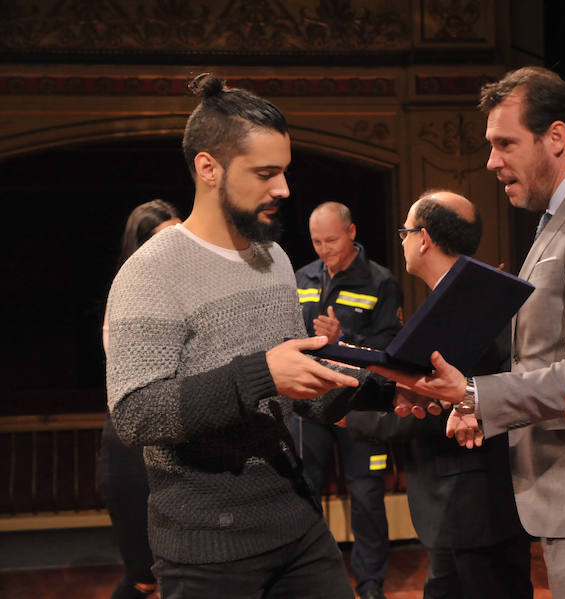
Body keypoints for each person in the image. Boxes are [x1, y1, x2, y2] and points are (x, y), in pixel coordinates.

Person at [371, 67, 565, 599]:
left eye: (504, 143)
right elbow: (539, 353)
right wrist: (477, 409)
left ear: (555, 137)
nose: (491, 162)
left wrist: (473, 393)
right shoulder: (564, 217)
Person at [105, 73, 390, 599]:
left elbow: (298, 386)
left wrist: (392, 391)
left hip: (295, 524)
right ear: (208, 168)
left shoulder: (273, 257)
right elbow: (137, 413)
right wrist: (262, 373)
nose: (282, 189)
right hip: (206, 549)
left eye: (284, 172)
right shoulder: (150, 273)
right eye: (265, 173)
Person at [346, 189, 533, 599]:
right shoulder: (475, 297)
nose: (402, 241)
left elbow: (431, 404)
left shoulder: (459, 309)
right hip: (473, 504)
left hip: (470, 505)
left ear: (424, 238)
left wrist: (344, 412)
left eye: (405, 231)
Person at [294, 201, 402, 599]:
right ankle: (314, 583)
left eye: (332, 240)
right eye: (317, 241)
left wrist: (345, 341)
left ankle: (371, 586)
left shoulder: (381, 281)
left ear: (352, 232)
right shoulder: (302, 277)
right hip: (310, 403)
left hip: (361, 406)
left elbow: (390, 349)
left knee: (367, 496)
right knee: (305, 493)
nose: (324, 250)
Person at [100, 199, 181, 599]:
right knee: (143, 576)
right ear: (141, 245)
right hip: (133, 440)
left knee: (182, 570)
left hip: (177, 437)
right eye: (165, 239)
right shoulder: (129, 293)